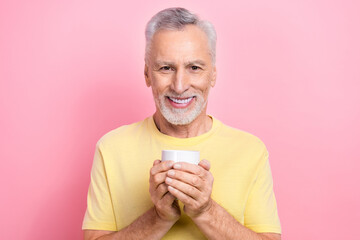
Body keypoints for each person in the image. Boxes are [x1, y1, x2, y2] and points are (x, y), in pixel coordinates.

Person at [82, 7, 281, 240]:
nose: (179, 85)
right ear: (147, 74)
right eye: (166, 68)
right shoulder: (111, 148)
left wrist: (206, 211)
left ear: (213, 75)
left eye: (194, 68)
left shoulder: (250, 150)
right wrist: (158, 217)